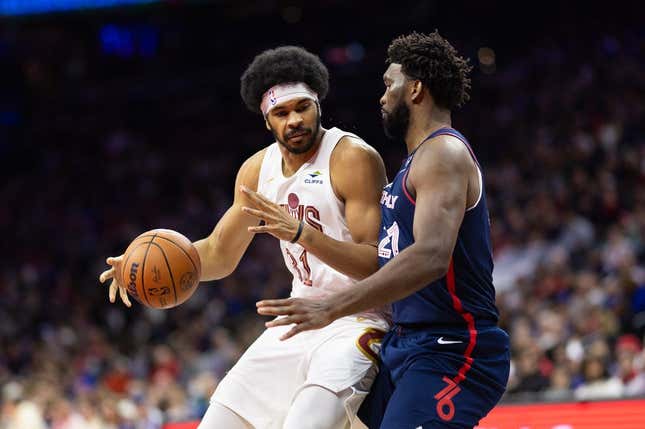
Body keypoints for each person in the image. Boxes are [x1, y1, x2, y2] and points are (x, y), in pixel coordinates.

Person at [99, 46, 389, 429]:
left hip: (358, 316)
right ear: (267, 120)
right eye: (281, 113)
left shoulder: (351, 157)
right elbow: (219, 252)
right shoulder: (257, 171)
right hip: (299, 316)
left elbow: (377, 263)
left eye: (302, 107)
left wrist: (301, 233)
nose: (295, 120)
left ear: (318, 103)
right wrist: (142, 266)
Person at [256, 31, 510, 429]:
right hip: (406, 343)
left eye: (389, 84)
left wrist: (330, 306)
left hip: (454, 347)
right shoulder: (415, 163)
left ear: (416, 89)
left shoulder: (444, 153)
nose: (382, 96)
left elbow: (429, 257)